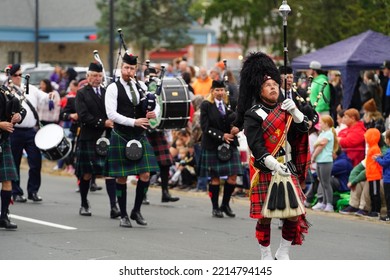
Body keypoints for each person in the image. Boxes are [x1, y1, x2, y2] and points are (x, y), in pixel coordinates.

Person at [237, 52, 310, 260]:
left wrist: (296, 112)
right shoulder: (254, 114)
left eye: (275, 84)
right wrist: (273, 164)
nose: (273, 87)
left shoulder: (286, 108)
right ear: (259, 90)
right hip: (267, 168)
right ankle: (265, 253)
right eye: (268, 85)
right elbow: (256, 146)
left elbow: (303, 131)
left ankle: (283, 251)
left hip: (288, 167)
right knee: (265, 217)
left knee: (294, 213)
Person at [105, 52, 159, 228]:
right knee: (121, 177)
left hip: (139, 135)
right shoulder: (113, 88)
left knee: (145, 174)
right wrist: (133, 121)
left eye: (132, 68)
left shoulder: (141, 86)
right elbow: (111, 114)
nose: (128, 71)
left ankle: (136, 210)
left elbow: (155, 103)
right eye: (126, 67)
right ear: (121, 68)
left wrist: (153, 113)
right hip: (121, 134)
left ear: (136, 70)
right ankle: (123, 215)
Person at [74, 61, 119, 218]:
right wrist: (103, 122)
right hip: (89, 137)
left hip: (107, 138)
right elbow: (83, 115)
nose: (97, 78)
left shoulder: (108, 91)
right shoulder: (81, 93)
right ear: (88, 76)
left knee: (110, 173)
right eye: (94, 75)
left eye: (99, 75)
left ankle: (114, 207)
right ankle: (84, 203)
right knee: (86, 173)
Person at [7, 64, 53, 203]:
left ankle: (33, 191)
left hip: (31, 131)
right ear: (11, 76)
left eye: (21, 74)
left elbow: (44, 97)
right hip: (14, 131)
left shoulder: (31, 89)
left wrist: (50, 95)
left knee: (35, 161)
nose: (19, 77)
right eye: (16, 75)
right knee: (15, 162)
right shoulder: (7, 91)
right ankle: (16, 192)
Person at [198, 80, 243, 218]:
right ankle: (215, 207)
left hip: (230, 144)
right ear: (212, 91)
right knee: (215, 178)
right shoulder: (206, 105)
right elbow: (205, 127)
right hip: (213, 144)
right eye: (217, 90)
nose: (220, 92)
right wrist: (222, 136)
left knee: (233, 177)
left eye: (222, 90)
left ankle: (225, 204)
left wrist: (237, 128)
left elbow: (238, 120)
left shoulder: (230, 104)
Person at [144, 67, 179, 203]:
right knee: (147, 166)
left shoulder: (160, 92)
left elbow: (165, 112)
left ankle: (165, 193)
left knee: (165, 163)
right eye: (150, 76)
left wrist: (168, 134)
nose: (152, 79)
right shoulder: (141, 89)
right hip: (145, 131)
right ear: (145, 77)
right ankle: (144, 194)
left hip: (158, 132)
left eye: (154, 76)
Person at [0, 77, 26, 229]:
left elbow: (21, 108)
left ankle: (4, 216)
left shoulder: (5, 93)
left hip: (3, 141)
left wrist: (19, 116)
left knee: (7, 180)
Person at [310, 115, 339, 212]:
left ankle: (329, 204)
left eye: (321, 123)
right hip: (320, 160)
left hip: (326, 161)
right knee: (322, 182)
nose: (320, 124)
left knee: (326, 183)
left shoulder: (329, 134)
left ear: (326, 123)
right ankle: (324, 203)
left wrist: (313, 156)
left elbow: (321, 145)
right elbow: (318, 144)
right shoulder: (323, 133)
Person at [364, 128, 382, 218]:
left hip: (375, 175)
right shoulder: (372, 148)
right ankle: (373, 209)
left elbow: (378, 163)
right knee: (372, 192)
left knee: (375, 193)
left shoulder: (375, 148)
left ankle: (376, 210)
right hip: (371, 174)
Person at [374, 130, 390, 221]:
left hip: (388, 178)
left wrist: (377, 159)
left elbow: (385, 163)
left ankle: (388, 215)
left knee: (388, 197)